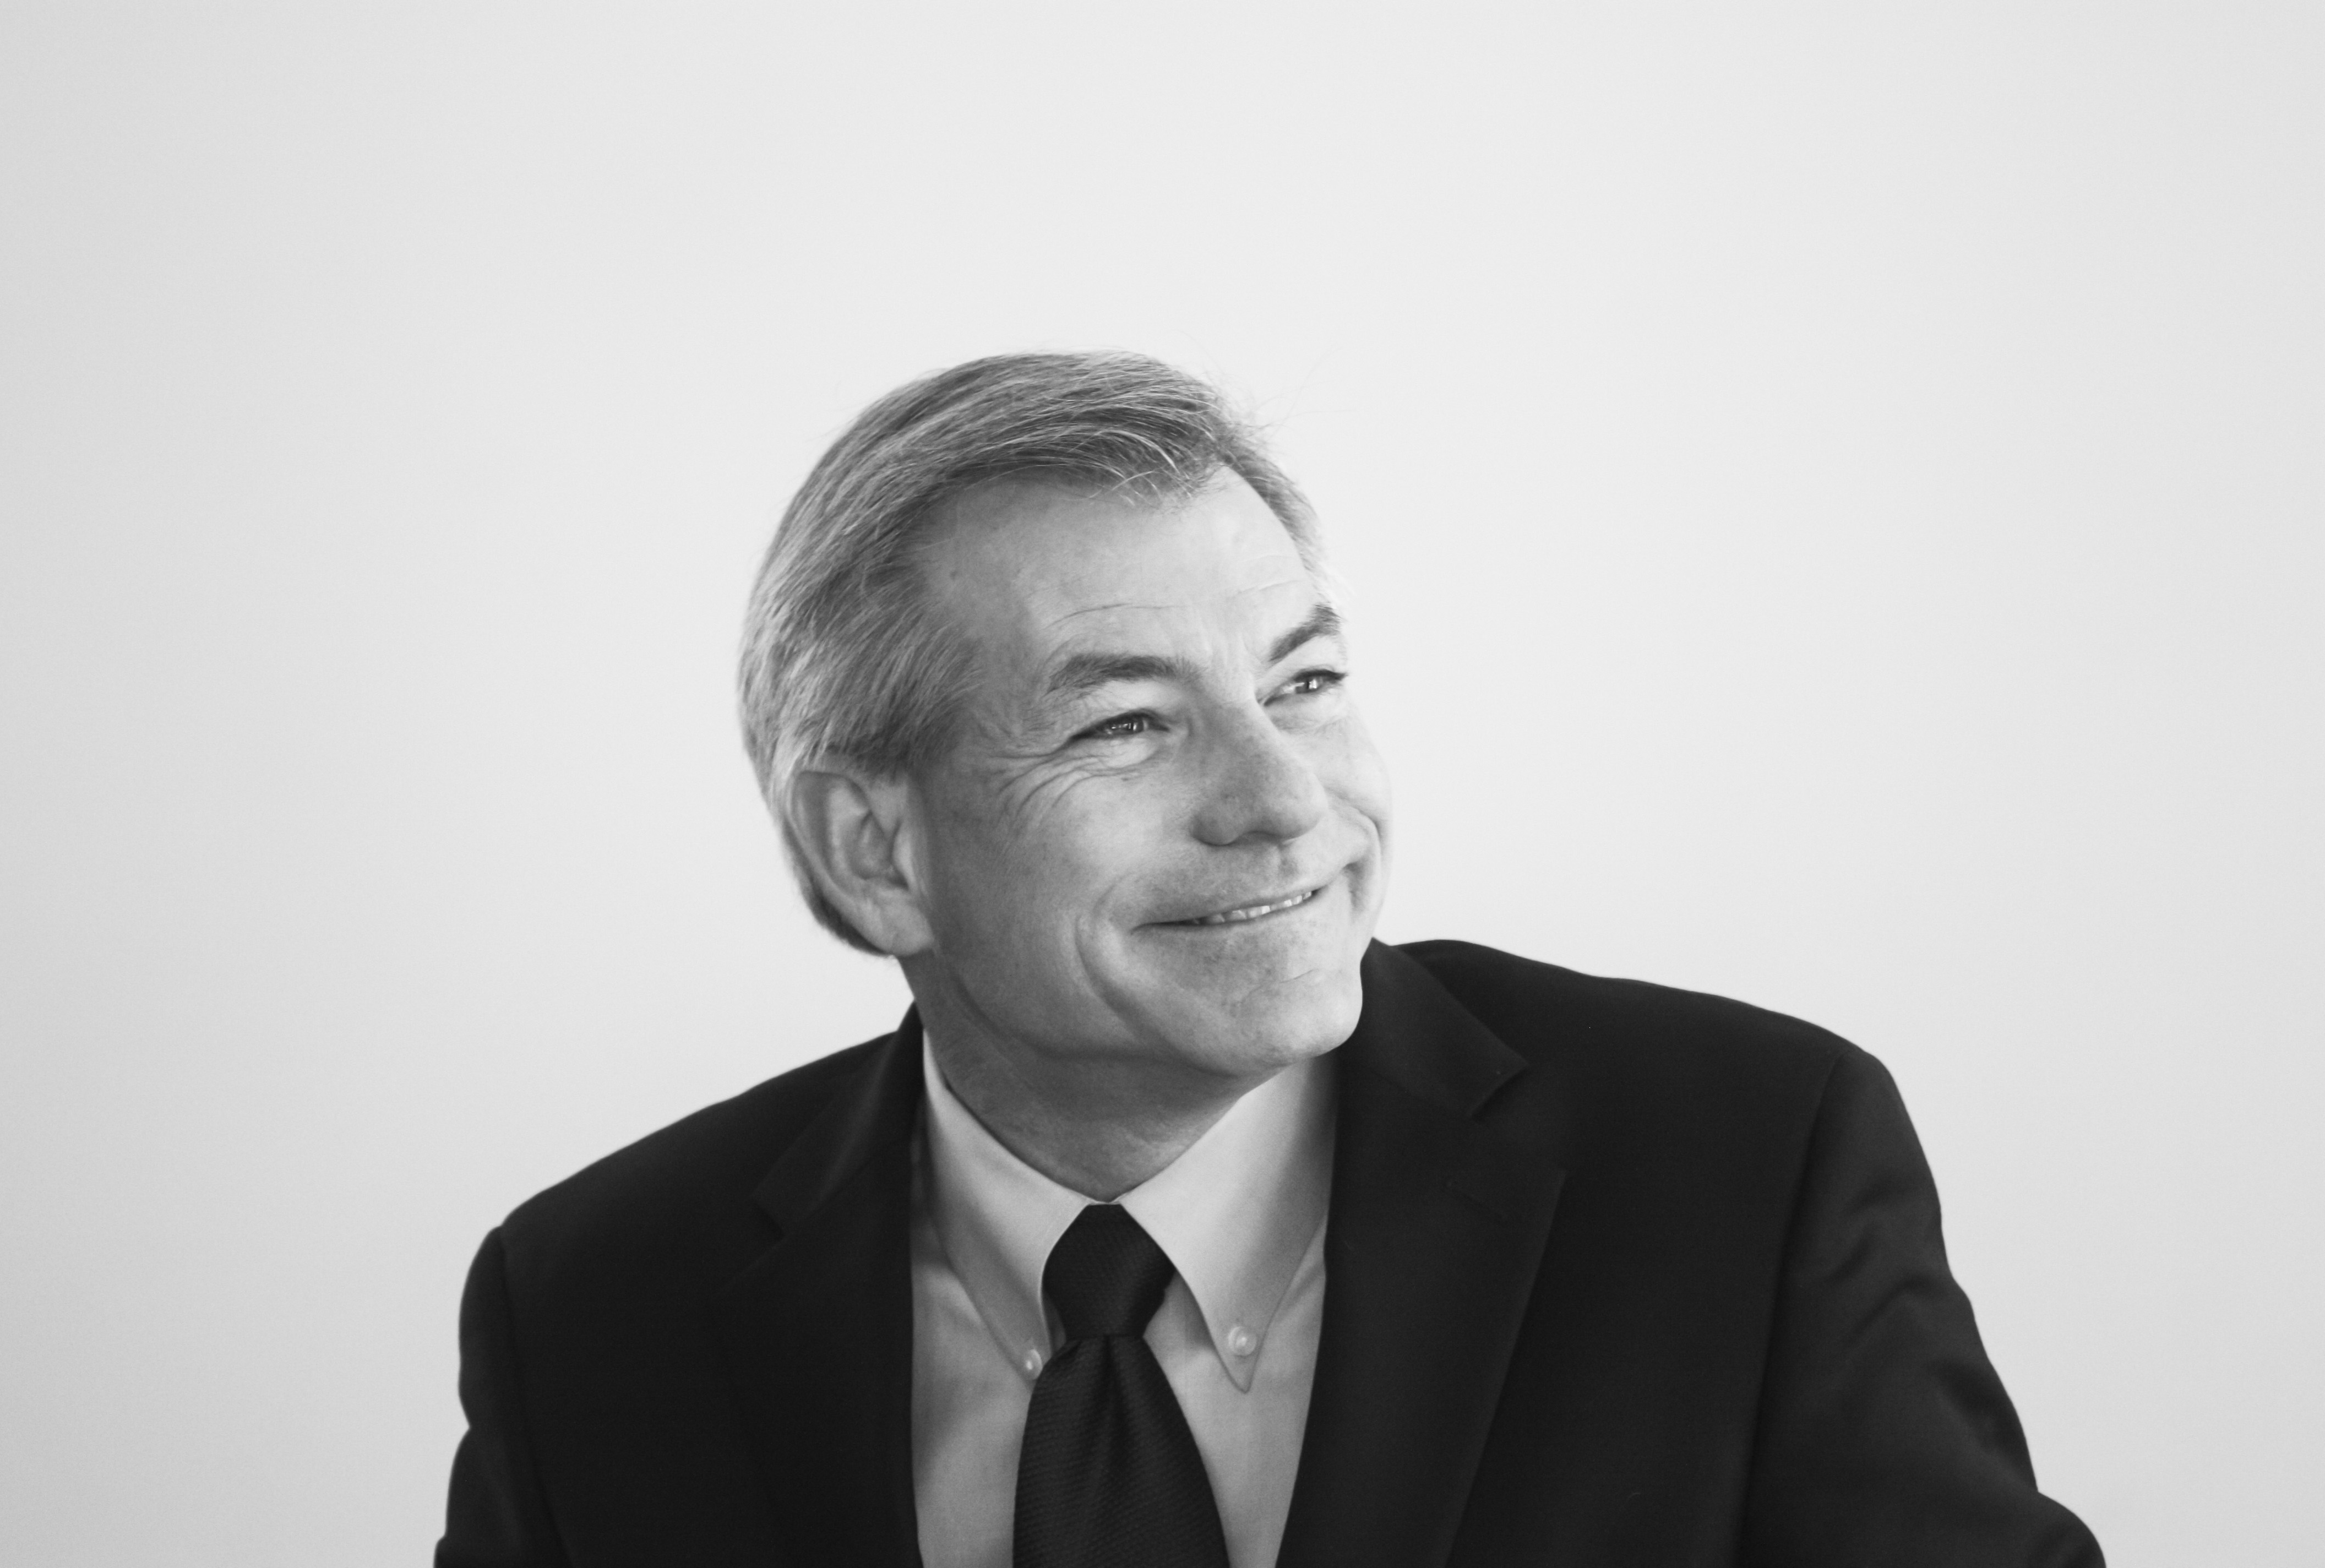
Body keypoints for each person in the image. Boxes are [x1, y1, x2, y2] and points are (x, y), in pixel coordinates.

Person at [435, 352, 2103, 1568]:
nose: (1286, 801)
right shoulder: (594, 1309)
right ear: (876, 850)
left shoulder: (1745, 1167)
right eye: (1128, 724)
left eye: (1302, 685)